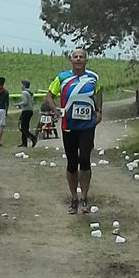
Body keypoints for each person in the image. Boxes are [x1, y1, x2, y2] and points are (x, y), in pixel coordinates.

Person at [44, 47, 102, 214]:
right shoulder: (62, 77)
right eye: (75, 57)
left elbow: (98, 94)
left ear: (85, 60)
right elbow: (48, 96)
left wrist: (99, 111)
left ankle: (84, 197)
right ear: (71, 60)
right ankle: (73, 198)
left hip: (87, 125)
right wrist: (55, 110)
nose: (78, 59)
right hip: (69, 125)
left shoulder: (93, 77)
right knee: (71, 162)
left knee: (84, 158)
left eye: (81, 57)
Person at [16, 79, 37, 147]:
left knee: (22, 127)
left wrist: (18, 104)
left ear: (24, 85)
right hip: (30, 110)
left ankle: (33, 138)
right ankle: (24, 143)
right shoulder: (30, 93)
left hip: (26, 111)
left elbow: (25, 102)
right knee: (25, 127)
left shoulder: (24, 93)